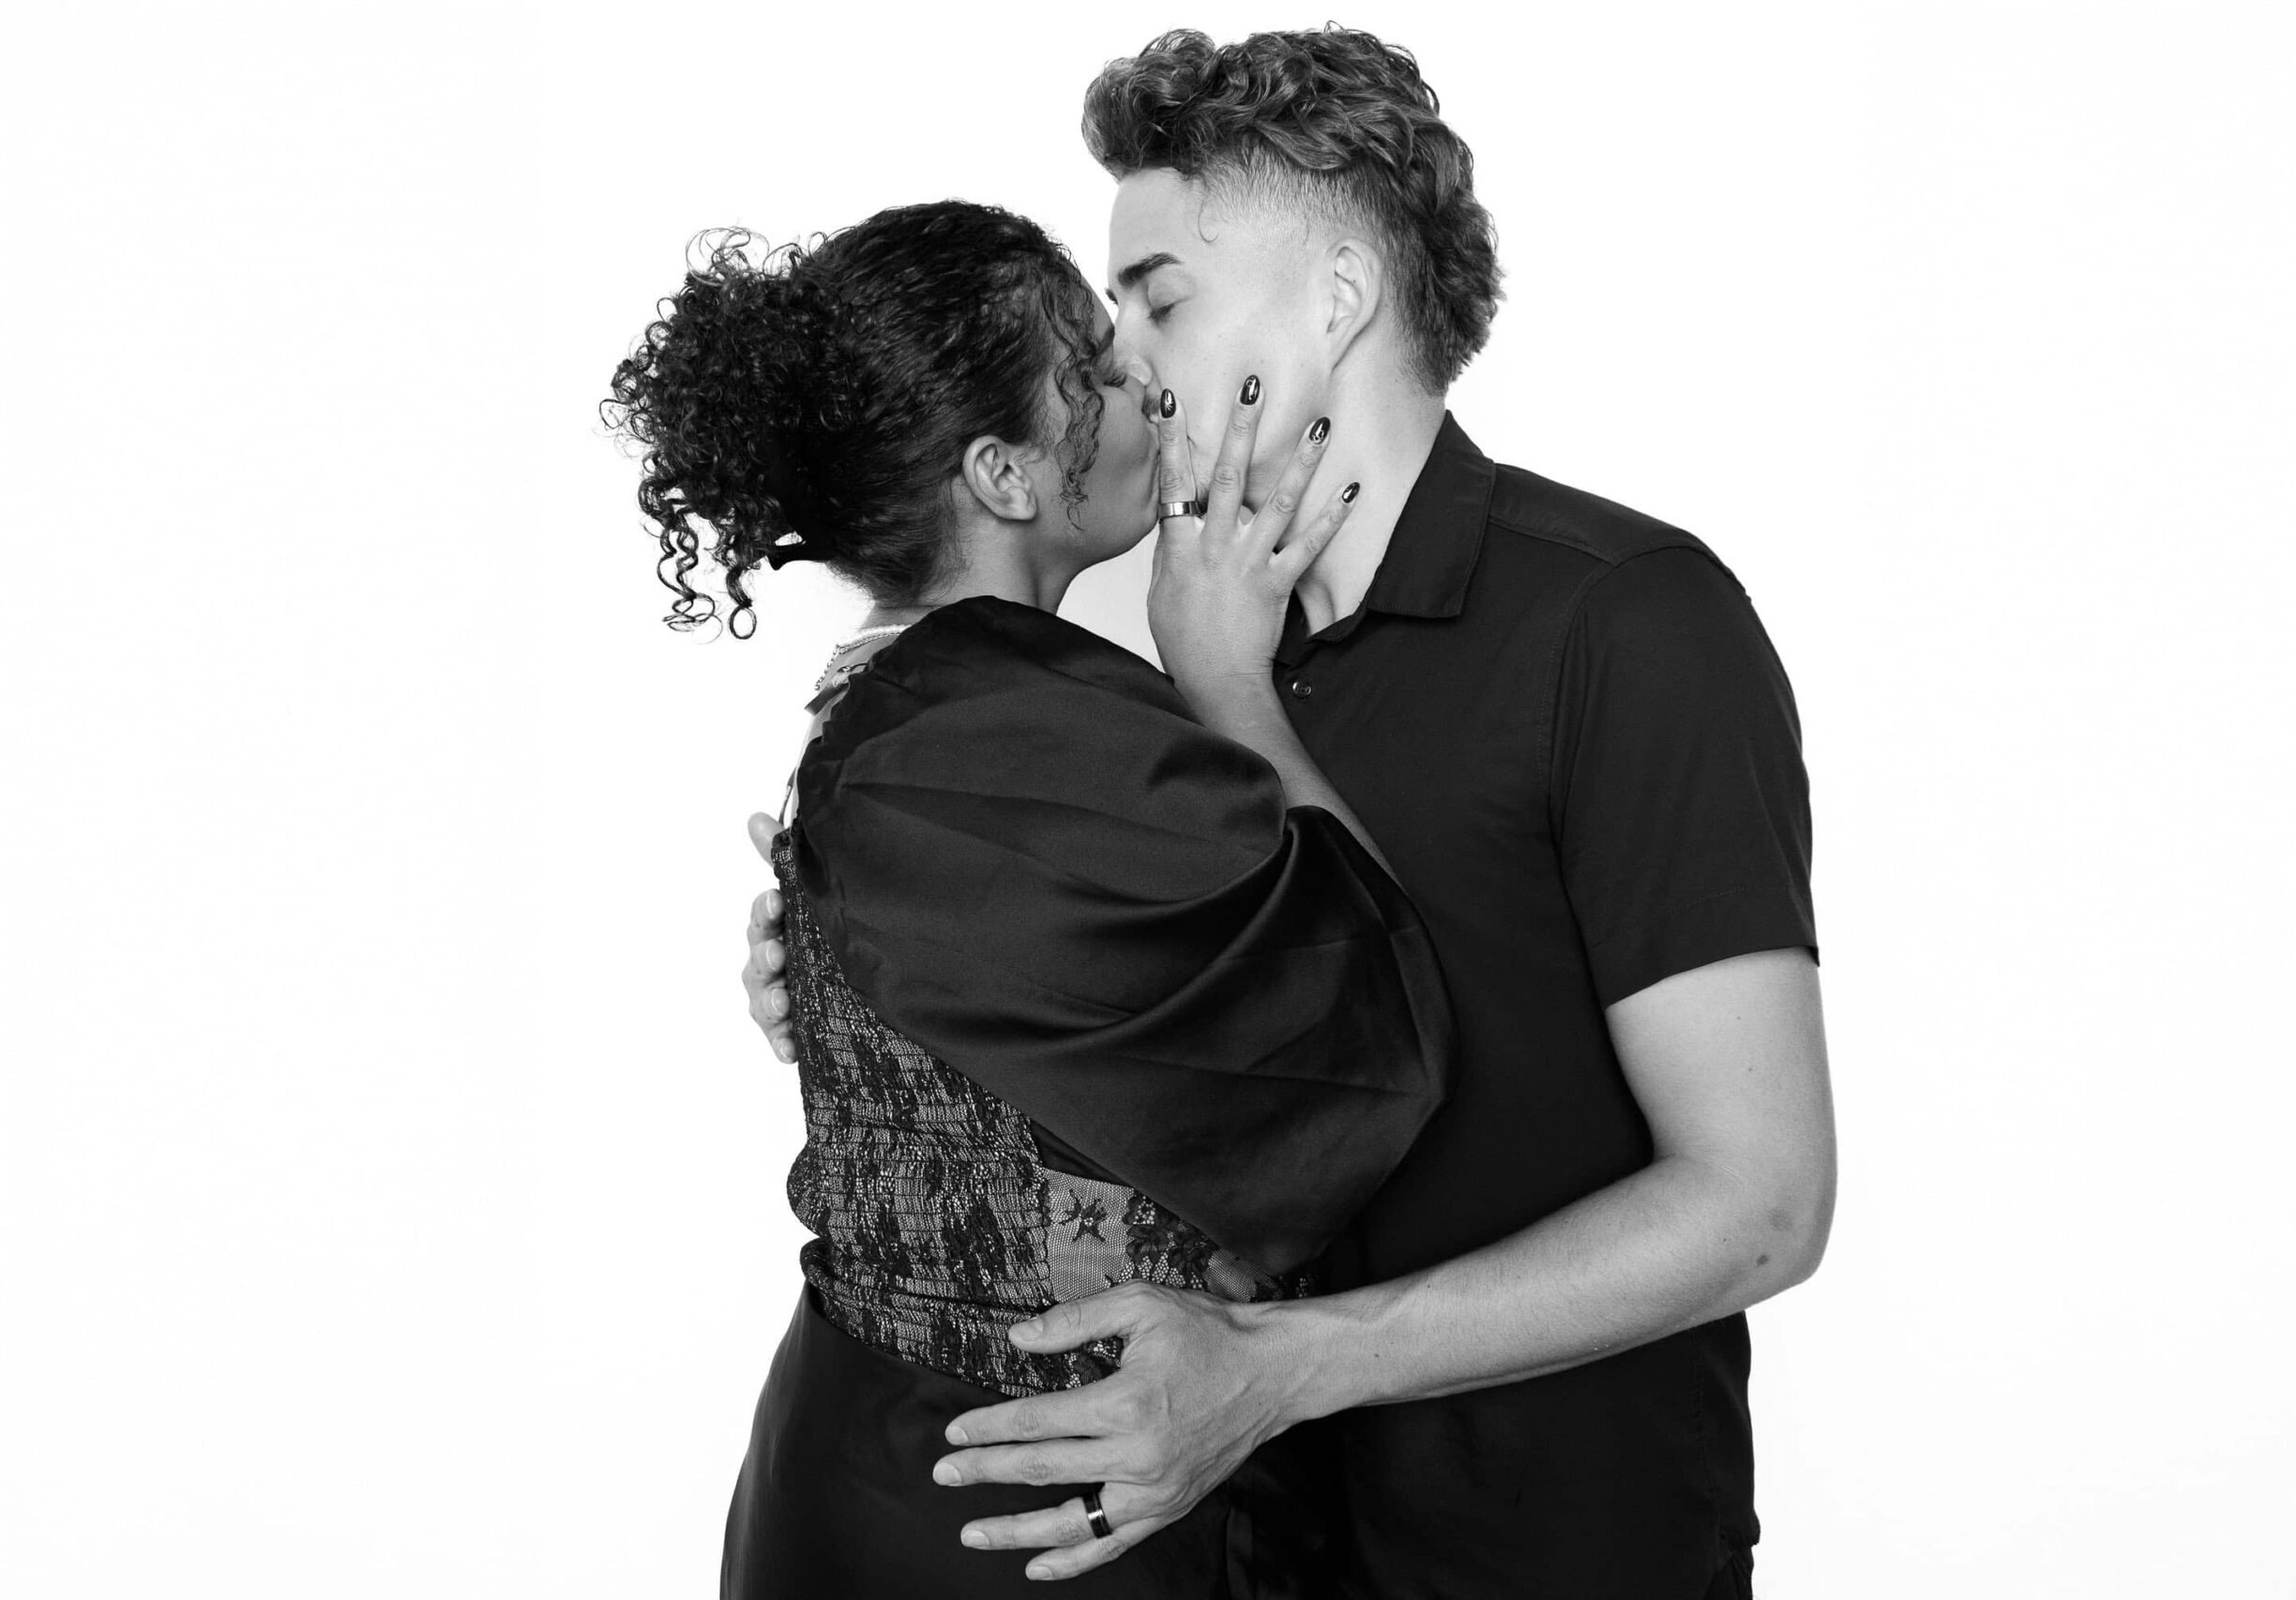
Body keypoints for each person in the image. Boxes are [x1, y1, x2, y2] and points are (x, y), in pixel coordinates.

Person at [742, 27, 1837, 1598]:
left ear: (1338, 297)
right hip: (1241, 1548)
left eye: (1158, 296)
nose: (1118, 363)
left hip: (1548, 1551)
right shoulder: (1131, 667)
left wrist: (1285, 1363)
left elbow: (1763, 1201)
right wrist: (857, 981)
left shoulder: (1627, 622)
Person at [608, 199, 1454, 1598]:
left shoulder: (906, 704)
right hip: (1008, 1510)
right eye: (1091, 371)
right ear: (1003, 475)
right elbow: (1376, 1023)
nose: (1138, 384)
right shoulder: (997, 725)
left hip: (911, 1464)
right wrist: (1229, 673)